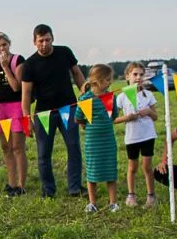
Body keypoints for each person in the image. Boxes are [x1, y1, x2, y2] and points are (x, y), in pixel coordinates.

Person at [21, 24, 86, 198]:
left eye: (47, 40)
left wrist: (85, 94)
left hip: (70, 108)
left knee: (73, 148)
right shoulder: (29, 64)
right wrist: (27, 118)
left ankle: (75, 187)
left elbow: (77, 74)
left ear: (53, 38)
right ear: (34, 42)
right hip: (43, 114)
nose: (44, 44)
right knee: (43, 154)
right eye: (40, 41)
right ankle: (48, 190)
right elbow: (26, 94)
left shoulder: (65, 52)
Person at [114, 62, 158, 207]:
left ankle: (151, 196)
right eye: (135, 74)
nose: (138, 77)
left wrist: (149, 112)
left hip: (148, 135)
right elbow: (113, 119)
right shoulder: (121, 97)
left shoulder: (149, 95)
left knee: (147, 166)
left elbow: (156, 116)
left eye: (141, 74)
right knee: (132, 167)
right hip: (132, 137)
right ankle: (131, 195)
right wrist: (127, 118)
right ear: (127, 76)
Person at [75, 65, 119, 212]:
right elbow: (78, 118)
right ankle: (92, 203)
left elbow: (114, 116)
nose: (110, 82)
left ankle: (113, 202)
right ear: (97, 81)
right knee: (92, 172)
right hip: (92, 142)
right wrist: (86, 125)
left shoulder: (112, 97)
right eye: (107, 80)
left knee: (110, 171)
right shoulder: (85, 99)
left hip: (108, 140)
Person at [0, 31, 27, 196]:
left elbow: (16, 87)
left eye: (4, 44)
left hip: (16, 105)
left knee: (17, 147)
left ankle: (21, 185)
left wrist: (5, 66)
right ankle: (11, 183)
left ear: (9, 44)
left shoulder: (18, 60)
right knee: (6, 148)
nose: (2, 48)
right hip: (2, 108)